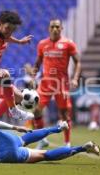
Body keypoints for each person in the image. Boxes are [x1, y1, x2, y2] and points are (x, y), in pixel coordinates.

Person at [31, 19, 81, 148]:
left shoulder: (68, 44)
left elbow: (78, 62)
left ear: (61, 28)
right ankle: (42, 140)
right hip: (46, 83)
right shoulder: (42, 44)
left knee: (64, 113)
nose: (55, 29)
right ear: (48, 28)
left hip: (61, 84)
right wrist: (33, 74)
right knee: (36, 111)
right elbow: (38, 62)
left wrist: (75, 78)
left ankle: (67, 143)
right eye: (52, 27)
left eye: (57, 27)